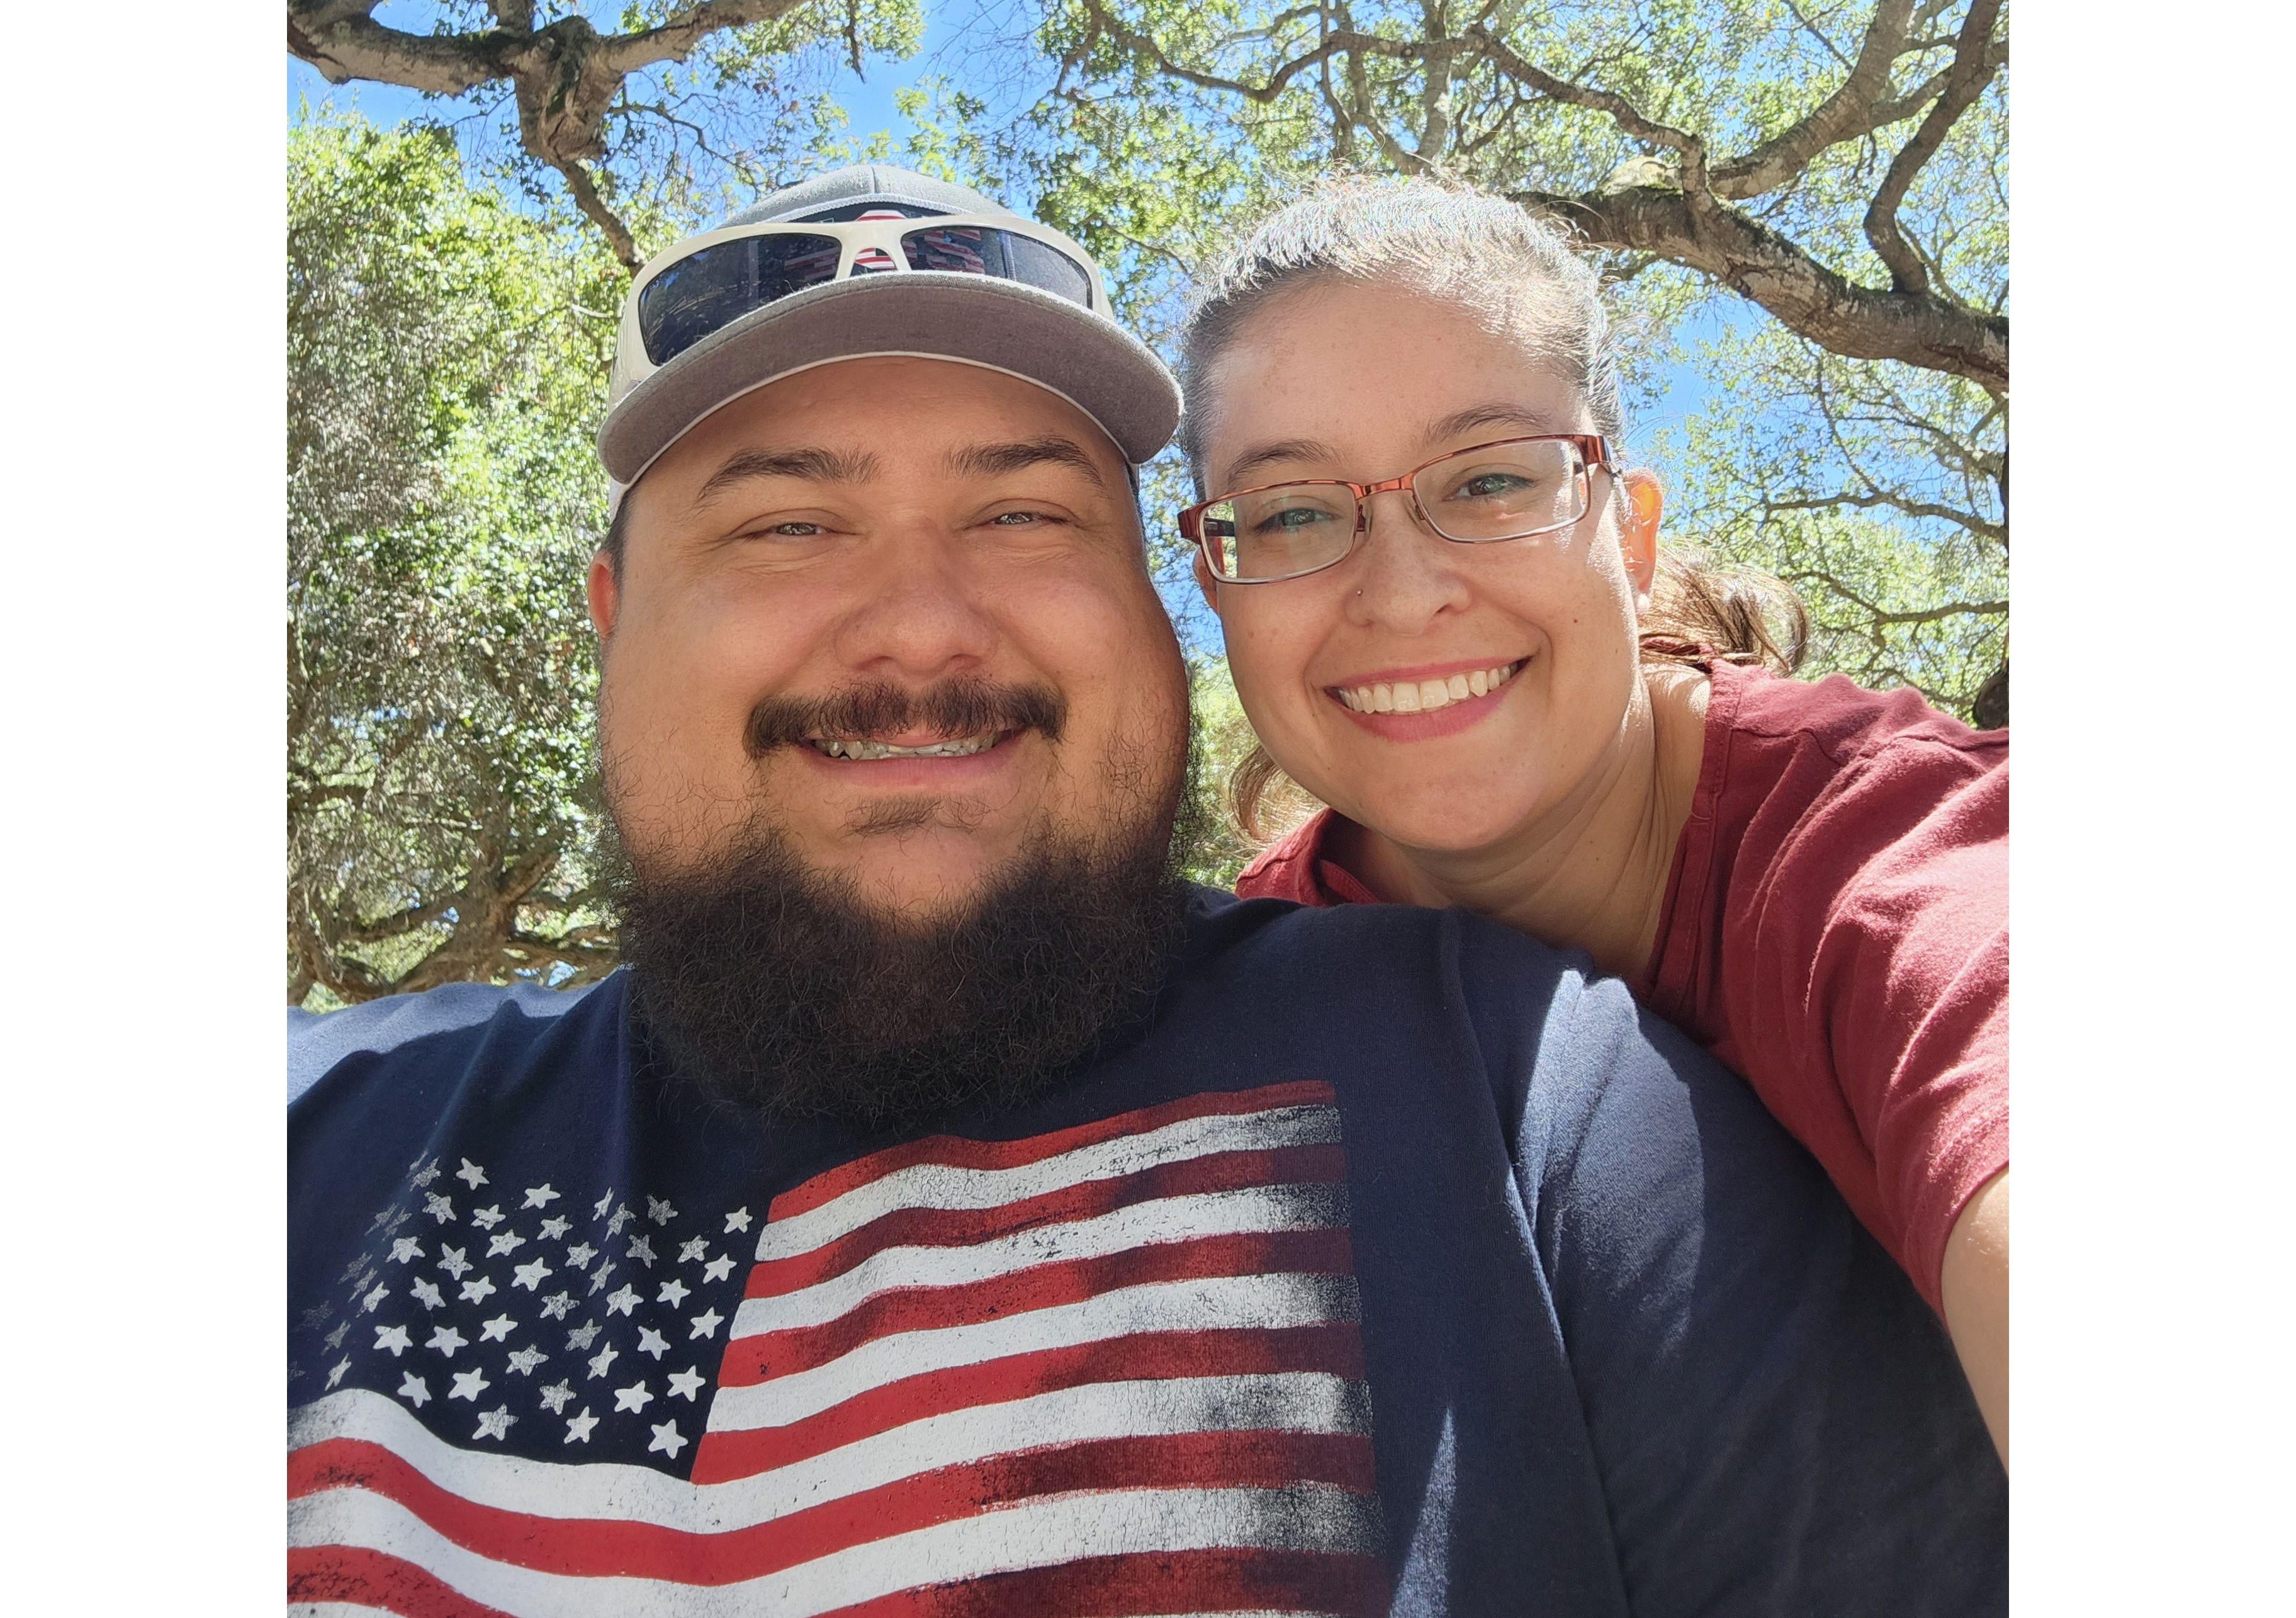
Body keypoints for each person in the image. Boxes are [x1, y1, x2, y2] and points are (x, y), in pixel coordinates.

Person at [289, 162, 2005, 1616]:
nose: (923, 625)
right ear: (608, 619)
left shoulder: (1567, 1059)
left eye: (1025, 517)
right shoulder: (308, 1133)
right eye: (787, 525)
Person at [1173, 174, 2009, 1461]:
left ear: (1629, 532)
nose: (1401, 594)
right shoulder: (1246, 981)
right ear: (1216, 587)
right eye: (1292, 512)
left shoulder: (1888, 845)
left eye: (1492, 482)